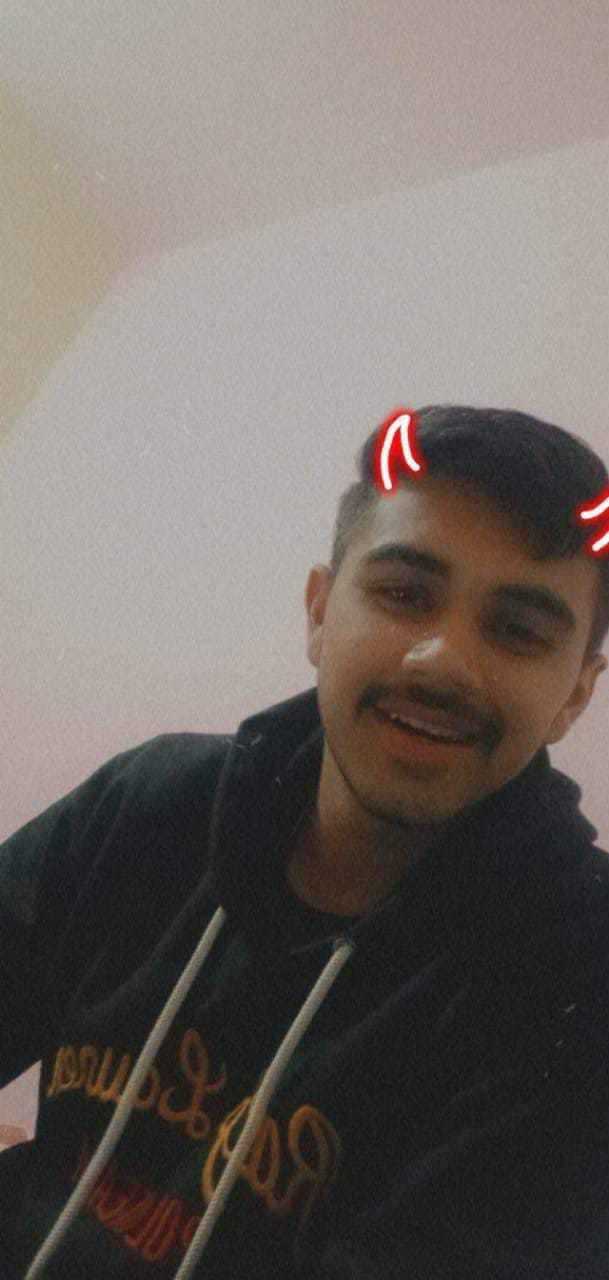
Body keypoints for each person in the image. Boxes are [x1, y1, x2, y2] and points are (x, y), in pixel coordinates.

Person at [1, 403, 608, 1279]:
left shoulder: (578, 976)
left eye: (517, 631)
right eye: (404, 594)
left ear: (575, 694)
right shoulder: (150, 807)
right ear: (320, 612)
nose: (440, 660)